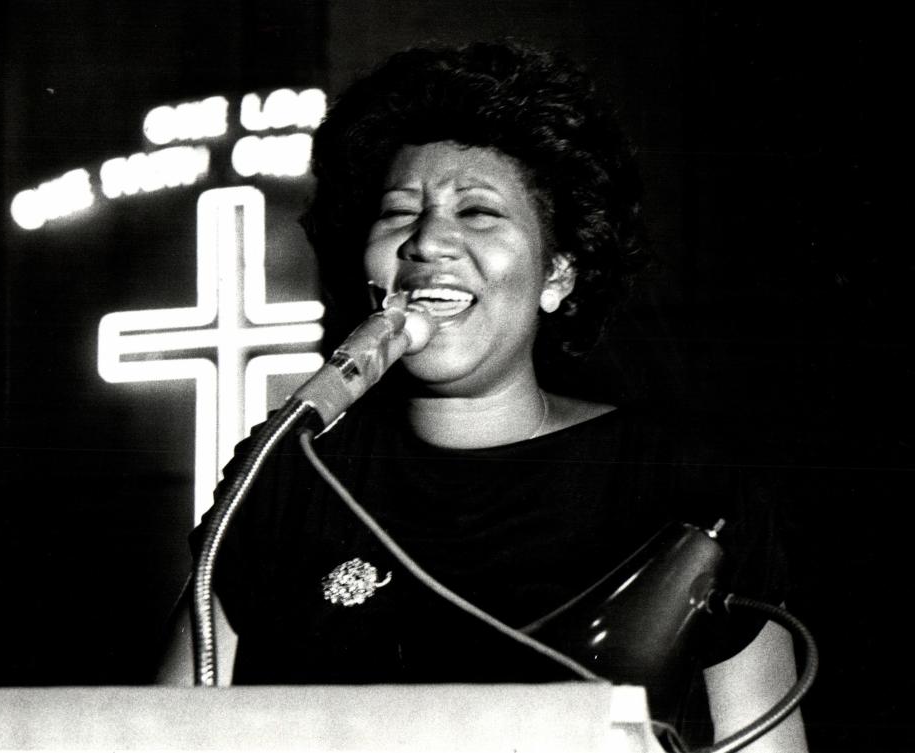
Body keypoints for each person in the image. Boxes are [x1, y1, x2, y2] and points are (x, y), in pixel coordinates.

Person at [159, 41, 809, 752]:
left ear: (556, 274)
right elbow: (161, 729)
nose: (429, 240)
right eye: (399, 212)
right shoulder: (289, 475)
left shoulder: (680, 483)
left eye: (480, 212)